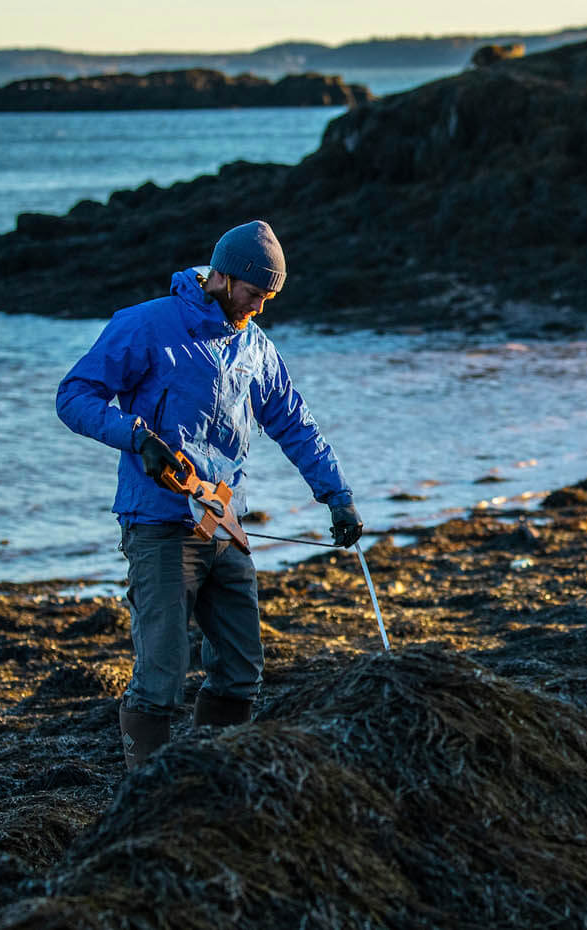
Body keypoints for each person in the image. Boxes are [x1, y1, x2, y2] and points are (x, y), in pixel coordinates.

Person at [56, 220, 363, 771]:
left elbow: (293, 422)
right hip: (157, 523)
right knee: (161, 678)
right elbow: (74, 396)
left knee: (243, 671)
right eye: (254, 293)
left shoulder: (255, 346)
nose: (260, 307)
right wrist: (136, 437)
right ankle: (146, 790)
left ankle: (212, 778)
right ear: (222, 276)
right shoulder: (147, 325)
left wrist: (336, 494)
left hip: (225, 522)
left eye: (269, 297)